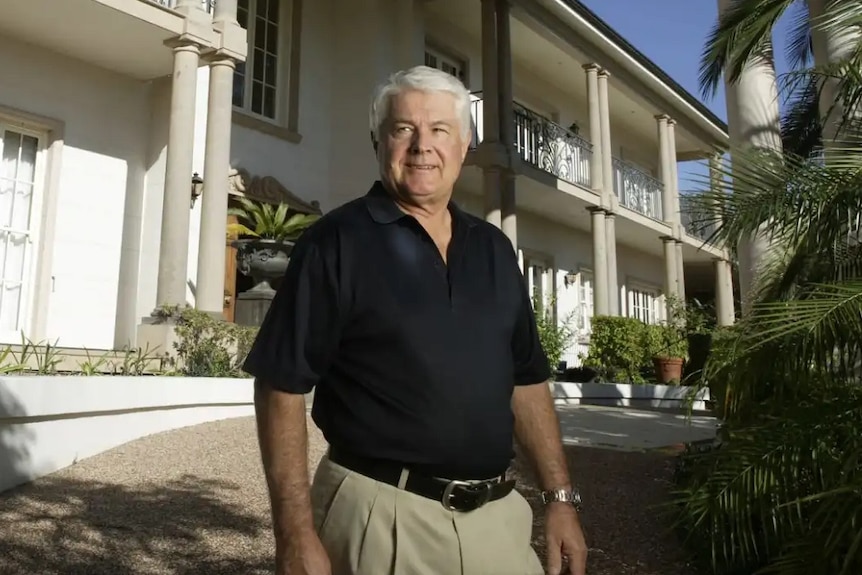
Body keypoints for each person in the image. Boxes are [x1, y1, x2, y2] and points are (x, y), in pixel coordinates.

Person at [245, 65, 588, 575]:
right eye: (403, 128)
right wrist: (294, 534)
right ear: (378, 141)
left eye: (439, 130)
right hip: (382, 517)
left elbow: (527, 381)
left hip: (500, 524)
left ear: (465, 144)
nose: (421, 145)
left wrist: (559, 498)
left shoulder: (494, 250)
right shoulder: (336, 243)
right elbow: (281, 387)